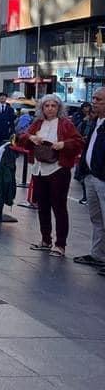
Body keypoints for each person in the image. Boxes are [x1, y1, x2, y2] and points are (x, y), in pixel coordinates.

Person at [16, 95, 84, 257]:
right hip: (39, 168)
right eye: (47, 105)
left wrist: (64, 144)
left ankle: (60, 244)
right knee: (43, 206)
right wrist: (31, 137)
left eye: (54, 105)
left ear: (59, 108)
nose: (50, 108)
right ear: (42, 108)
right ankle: (46, 239)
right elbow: (21, 137)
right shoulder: (38, 123)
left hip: (57, 169)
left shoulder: (66, 124)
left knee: (59, 207)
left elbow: (79, 142)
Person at [74, 87, 105, 272]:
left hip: (102, 178)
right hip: (91, 176)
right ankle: (98, 254)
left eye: (99, 99)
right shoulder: (96, 121)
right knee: (96, 218)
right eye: (93, 98)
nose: (94, 102)